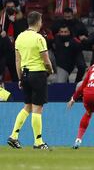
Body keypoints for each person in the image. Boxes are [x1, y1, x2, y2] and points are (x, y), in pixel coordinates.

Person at [7, 11, 54, 150]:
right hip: (38, 74)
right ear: (39, 22)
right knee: (37, 108)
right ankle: (38, 142)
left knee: (27, 106)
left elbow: (17, 60)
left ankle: (13, 136)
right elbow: (46, 59)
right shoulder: (39, 38)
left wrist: (20, 77)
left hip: (25, 75)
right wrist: (50, 70)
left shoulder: (20, 37)